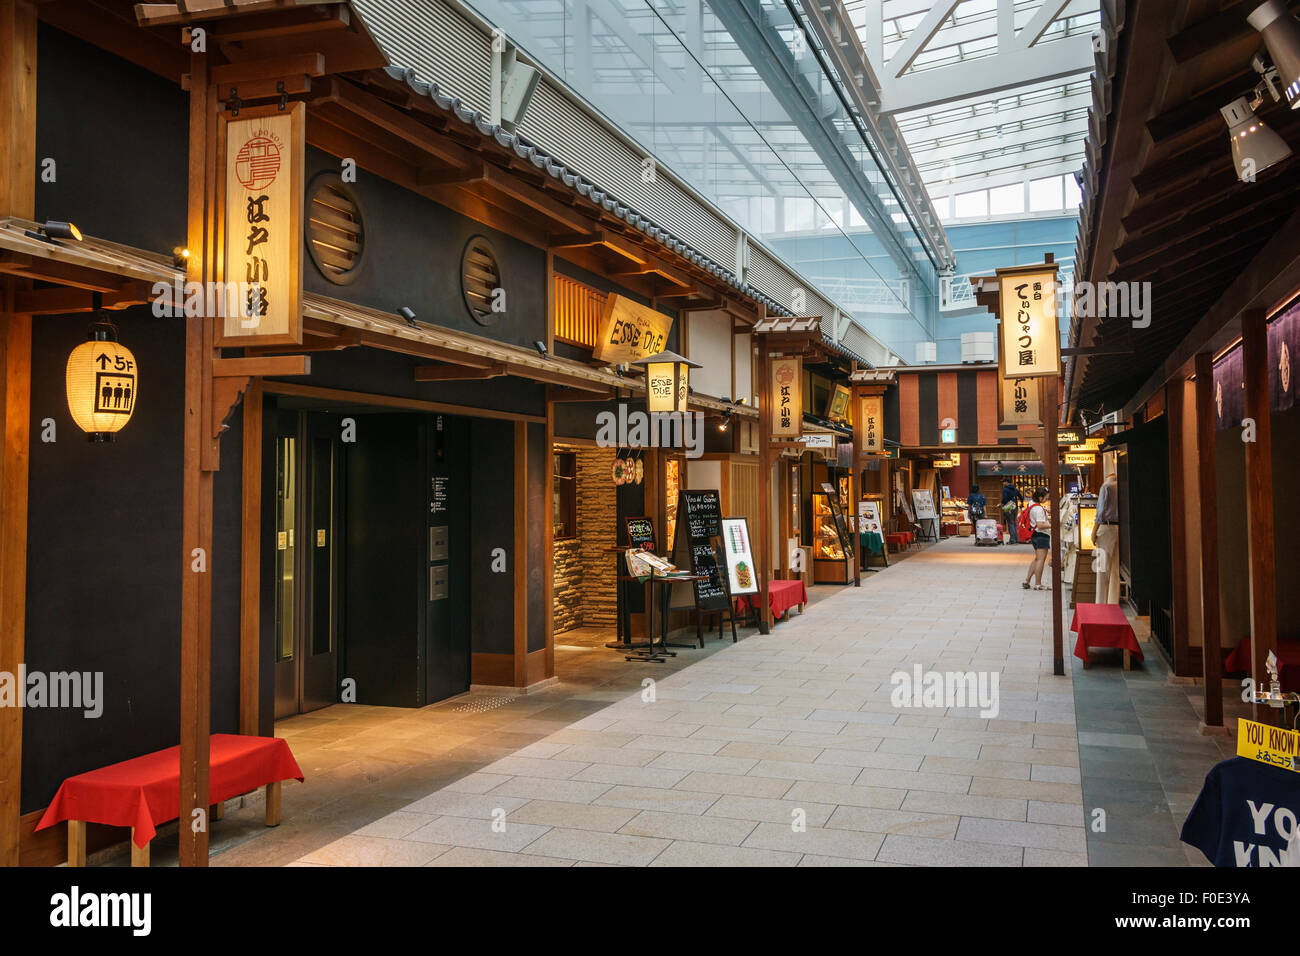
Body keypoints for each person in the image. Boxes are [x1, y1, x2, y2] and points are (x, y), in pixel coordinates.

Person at [1092, 470, 1120, 603]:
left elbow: (1100, 511)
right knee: (1115, 569)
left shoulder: (1106, 486)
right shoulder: (1122, 486)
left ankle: (1101, 602)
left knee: (1102, 568)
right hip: (1119, 528)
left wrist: (1093, 532)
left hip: (1105, 527)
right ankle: (1113, 601)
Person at [1022, 487, 1052, 590]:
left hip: (1034, 535)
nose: (1046, 500)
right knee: (1040, 560)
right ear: (1040, 498)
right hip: (1041, 535)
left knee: (1037, 559)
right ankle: (1038, 584)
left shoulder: (1031, 504)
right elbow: (1040, 525)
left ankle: (1027, 580)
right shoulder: (1038, 509)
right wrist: (1052, 524)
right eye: (1046, 498)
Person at [1000, 478, 1023, 544]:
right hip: (1015, 506)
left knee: (1010, 523)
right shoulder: (1015, 489)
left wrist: (1001, 504)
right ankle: (1016, 539)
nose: (1003, 483)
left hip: (1009, 507)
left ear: (1007, 482)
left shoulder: (1005, 489)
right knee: (1014, 522)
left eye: (1004, 482)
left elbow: (1005, 499)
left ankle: (1012, 540)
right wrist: (1021, 502)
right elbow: (1021, 497)